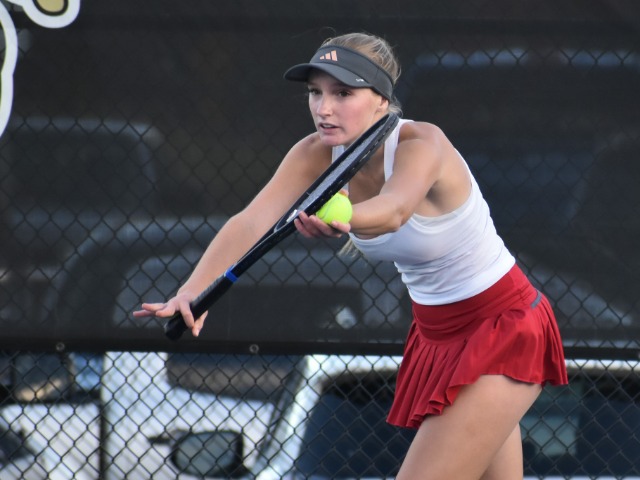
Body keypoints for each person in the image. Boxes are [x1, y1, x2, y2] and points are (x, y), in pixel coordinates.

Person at [134, 32, 568, 479]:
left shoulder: (422, 144)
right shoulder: (313, 154)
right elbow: (249, 223)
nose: (324, 108)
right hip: (436, 334)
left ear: (381, 99)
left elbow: (395, 210)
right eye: (315, 92)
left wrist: (344, 215)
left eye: (343, 93)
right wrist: (192, 290)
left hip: (502, 326)